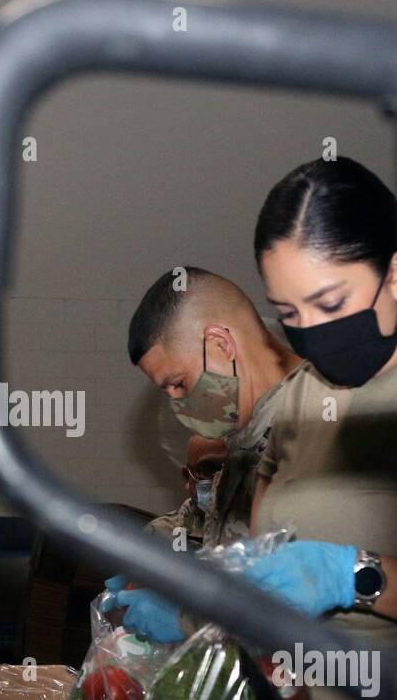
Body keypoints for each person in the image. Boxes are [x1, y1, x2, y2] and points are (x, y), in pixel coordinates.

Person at [239, 156, 397, 700]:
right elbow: (262, 553)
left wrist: (357, 576)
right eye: (288, 314)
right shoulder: (298, 400)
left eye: (331, 304)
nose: (311, 333)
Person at [106, 267, 300, 641]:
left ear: (220, 344)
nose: (178, 404)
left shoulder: (311, 426)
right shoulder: (246, 444)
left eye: (178, 383)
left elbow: (309, 607)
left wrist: (186, 621)